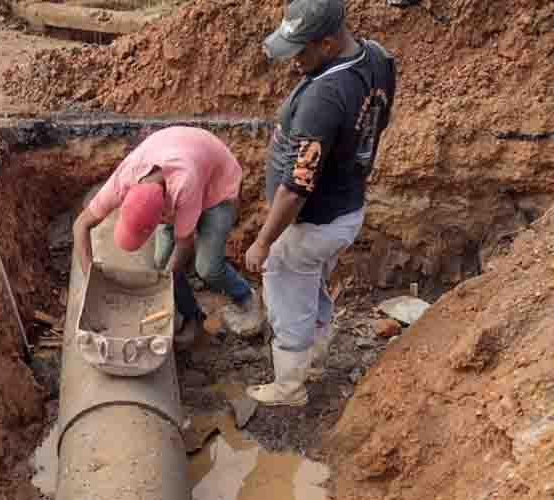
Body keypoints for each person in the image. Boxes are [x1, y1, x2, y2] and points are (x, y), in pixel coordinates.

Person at [244, 0, 397, 406]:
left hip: (311, 223)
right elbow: (378, 121)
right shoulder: (377, 57)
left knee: (287, 294)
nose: (295, 62)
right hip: (345, 209)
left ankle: (289, 388)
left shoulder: (323, 97)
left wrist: (264, 242)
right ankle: (316, 357)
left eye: (301, 52)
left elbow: (297, 186)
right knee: (310, 283)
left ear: (327, 44)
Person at [73, 126, 262, 347]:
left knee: (208, 268)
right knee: (162, 262)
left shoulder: (184, 184)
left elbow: (184, 243)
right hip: (182, 154)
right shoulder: (125, 178)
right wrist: (92, 282)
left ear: (162, 215)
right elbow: (81, 225)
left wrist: (161, 289)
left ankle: (245, 296)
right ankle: (193, 314)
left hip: (217, 184)